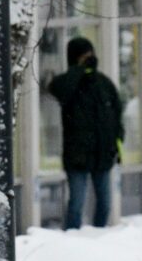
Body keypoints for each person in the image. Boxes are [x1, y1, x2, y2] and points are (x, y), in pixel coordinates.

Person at [47, 36, 124, 230]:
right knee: (76, 204)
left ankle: (98, 237)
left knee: (105, 203)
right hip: (77, 156)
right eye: (84, 56)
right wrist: (78, 70)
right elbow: (58, 90)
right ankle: (73, 239)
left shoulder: (103, 84)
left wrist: (117, 145)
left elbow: (116, 116)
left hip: (102, 155)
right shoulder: (69, 84)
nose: (89, 60)